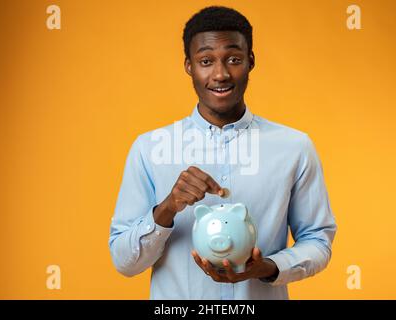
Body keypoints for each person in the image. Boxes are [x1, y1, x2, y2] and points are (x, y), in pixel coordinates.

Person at [109, 6, 337, 300]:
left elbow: (318, 241)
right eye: (206, 61)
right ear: (189, 65)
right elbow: (124, 262)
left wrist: (268, 267)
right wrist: (167, 208)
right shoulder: (148, 149)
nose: (220, 74)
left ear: (250, 61)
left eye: (233, 59)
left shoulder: (294, 147)